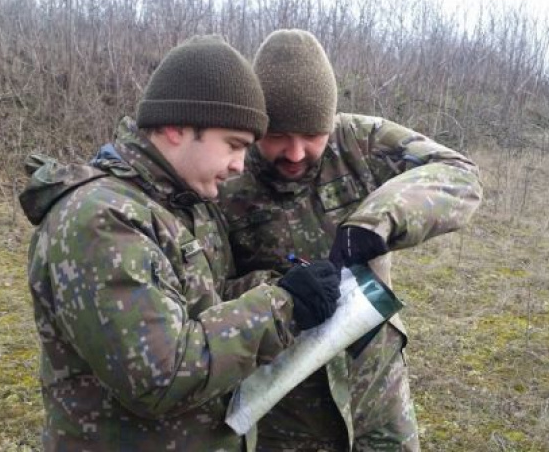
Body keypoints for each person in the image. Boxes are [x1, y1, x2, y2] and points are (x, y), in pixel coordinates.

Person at [20, 35, 341, 451]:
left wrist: (283, 284)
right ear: (176, 128)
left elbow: (201, 304)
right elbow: (160, 375)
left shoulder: (184, 205)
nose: (239, 165)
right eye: (233, 145)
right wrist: (283, 306)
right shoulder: (101, 220)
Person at [218, 29, 484, 451]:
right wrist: (279, 293)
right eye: (278, 135)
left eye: (312, 135)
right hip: (285, 406)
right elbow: (201, 296)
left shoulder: (359, 142)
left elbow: (458, 174)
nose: (296, 152)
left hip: (376, 386)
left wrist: (379, 221)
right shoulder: (225, 173)